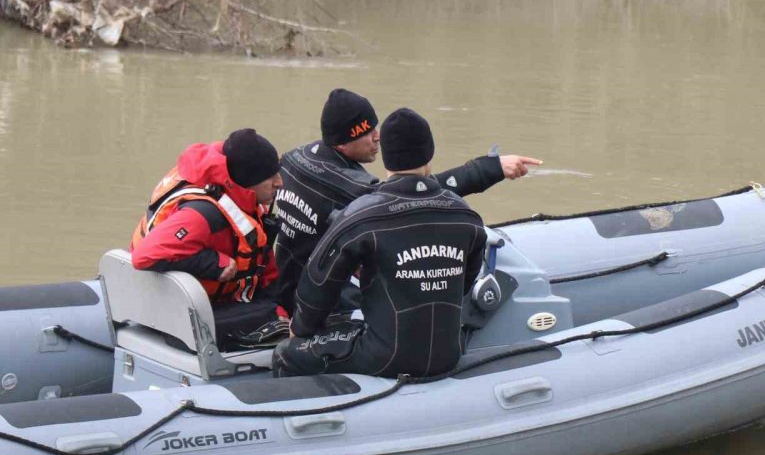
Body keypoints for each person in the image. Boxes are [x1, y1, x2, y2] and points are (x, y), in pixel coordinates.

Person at [273, 88, 541, 312]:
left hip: (286, 281)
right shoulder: (353, 187)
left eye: (375, 126)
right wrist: (489, 168)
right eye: (367, 132)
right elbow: (415, 193)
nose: (377, 136)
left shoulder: (295, 157)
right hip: (312, 301)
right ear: (343, 143)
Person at [273, 108, 487, 379]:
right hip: (449, 354)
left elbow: (319, 281)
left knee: (285, 354)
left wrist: (301, 328)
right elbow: (465, 283)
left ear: (386, 157)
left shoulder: (361, 216)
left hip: (383, 357)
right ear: (430, 153)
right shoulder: (465, 215)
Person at [130, 128, 288, 351]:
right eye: (270, 176)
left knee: (283, 309)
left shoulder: (242, 201)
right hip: (175, 318)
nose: (279, 182)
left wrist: (281, 305)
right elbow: (143, 256)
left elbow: (263, 264)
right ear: (247, 180)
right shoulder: (203, 213)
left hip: (200, 302)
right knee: (277, 321)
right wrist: (214, 263)